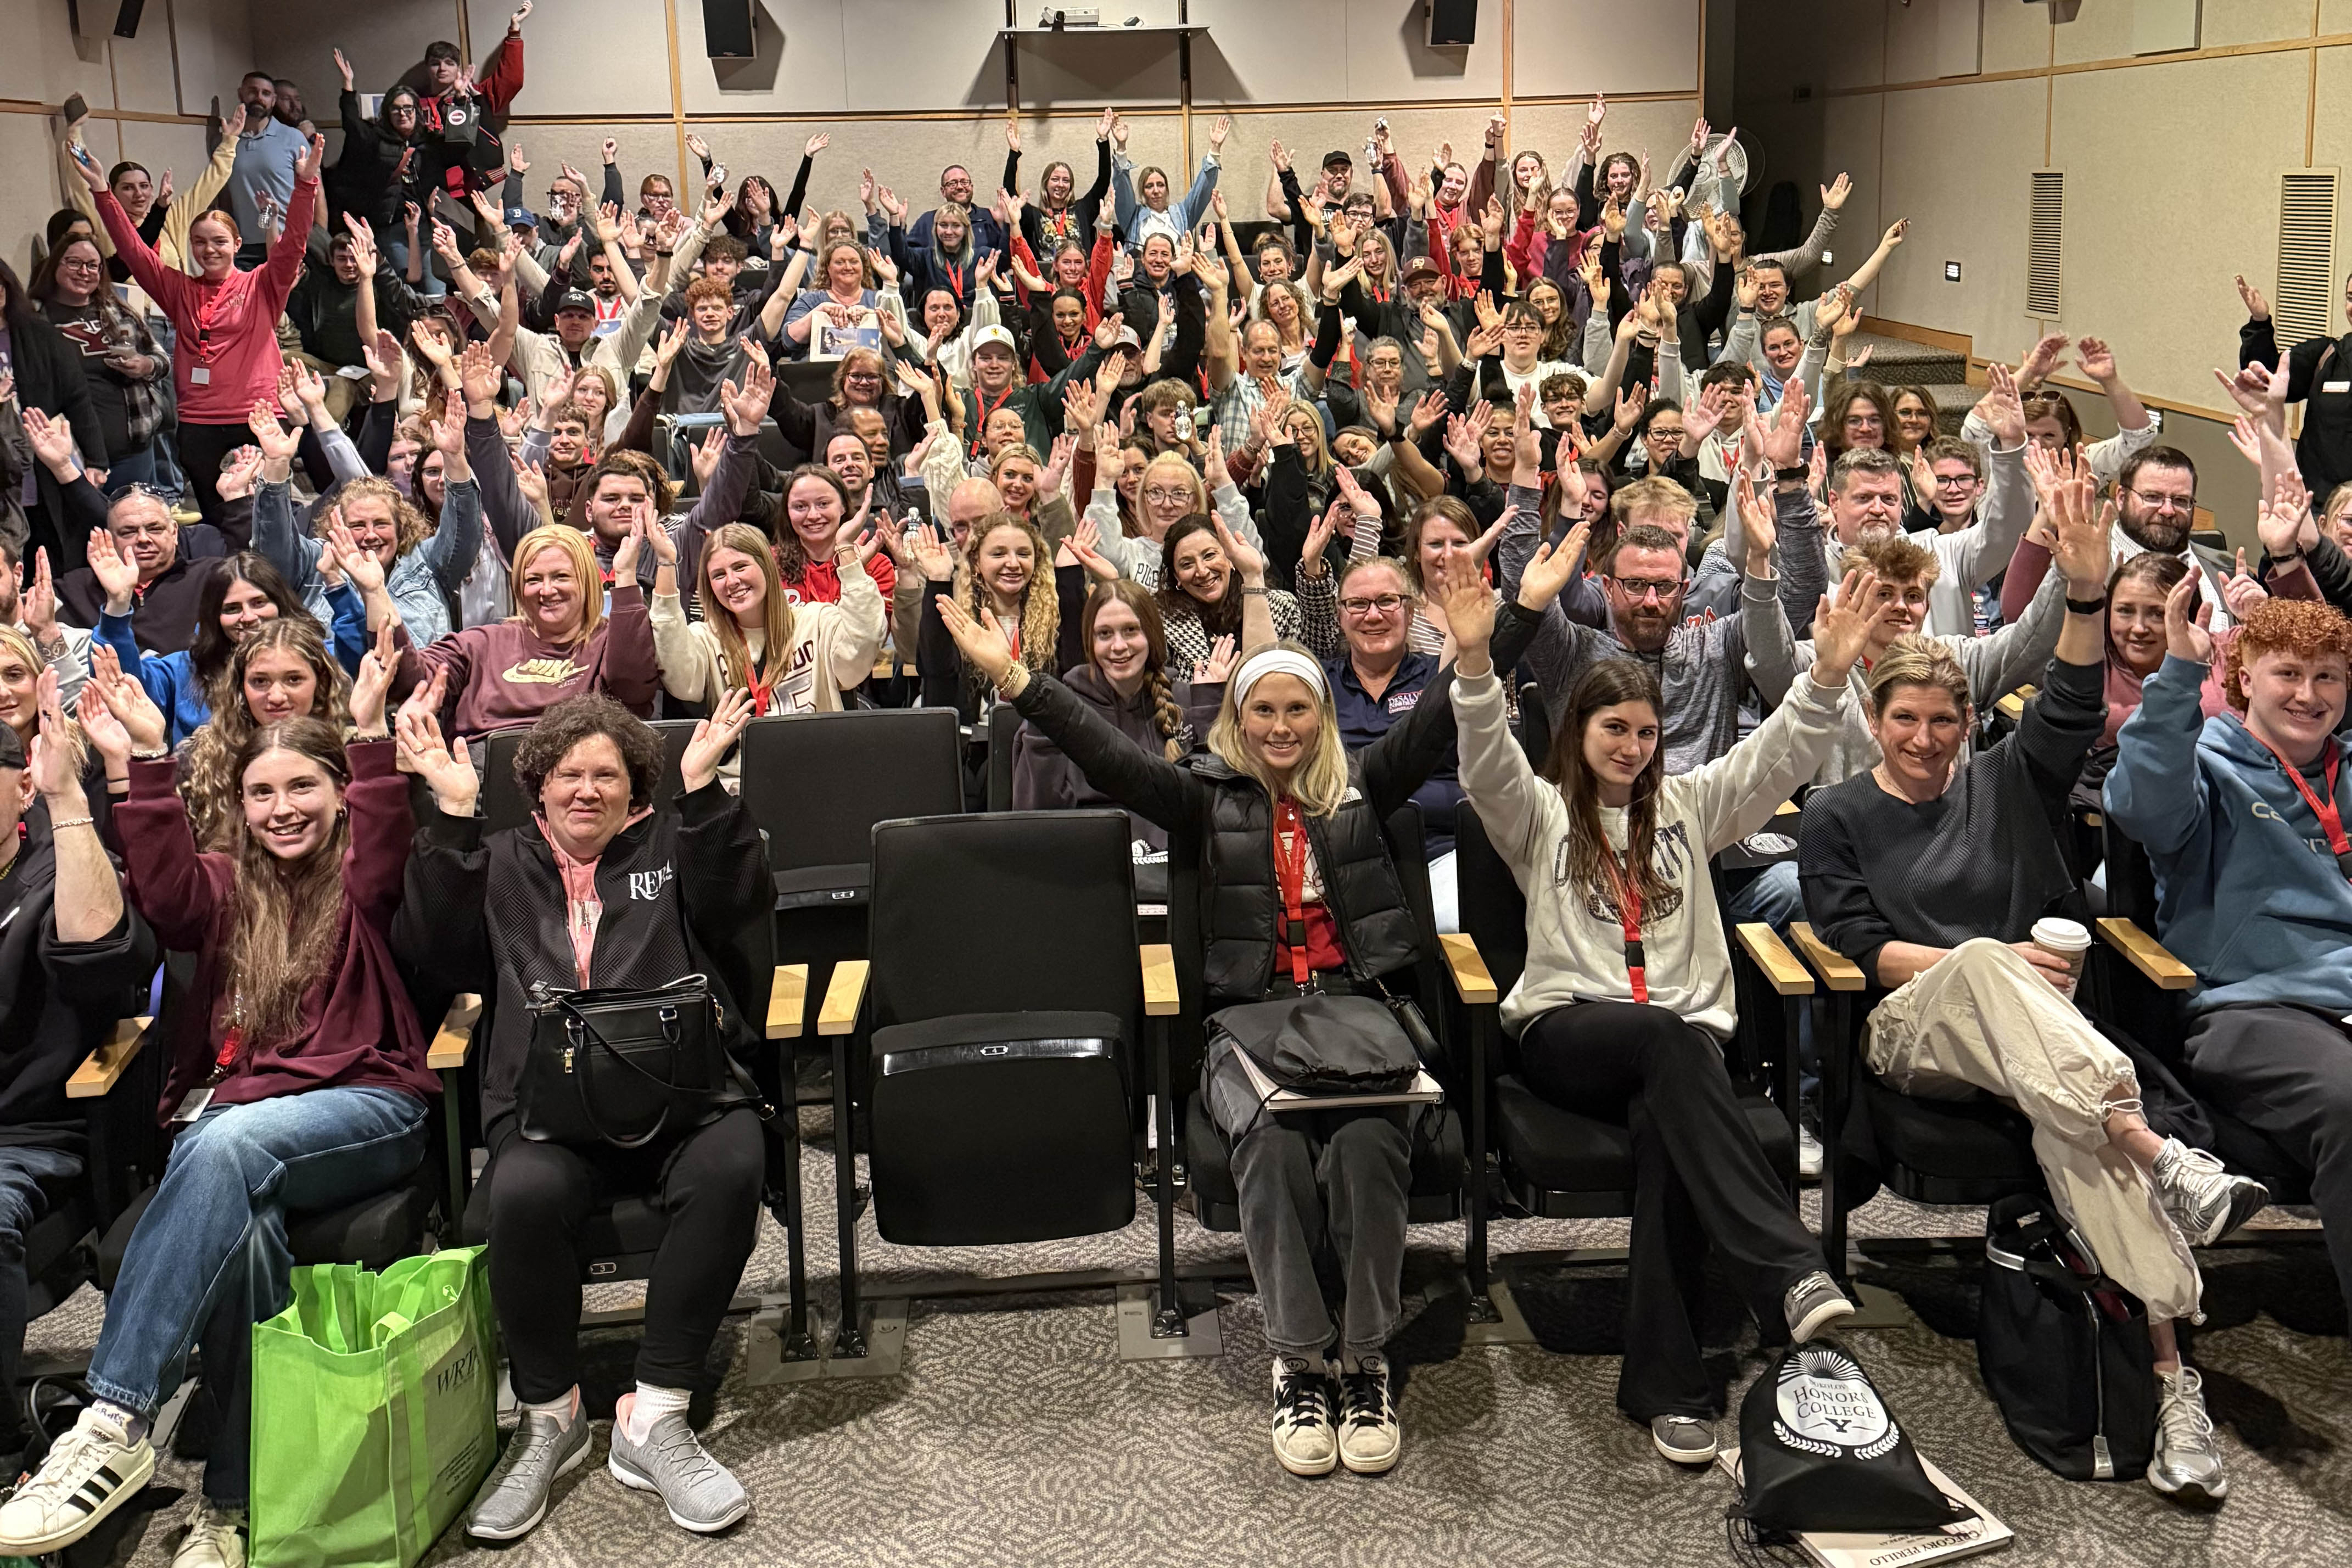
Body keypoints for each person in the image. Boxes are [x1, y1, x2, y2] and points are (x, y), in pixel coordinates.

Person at [936, 517, 1463, 1481]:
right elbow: (1105, 754)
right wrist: (1015, 680)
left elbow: (1436, 722)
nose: (1277, 728)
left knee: (1364, 1142)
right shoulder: (1202, 796)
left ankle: (1364, 1353)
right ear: (1235, 720)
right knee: (1266, 1143)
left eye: (1295, 712)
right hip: (1245, 1025)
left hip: (1356, 1014)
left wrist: (1483, 638)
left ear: (1319, 721)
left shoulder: (1360, 792)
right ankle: (1303, 1362)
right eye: (1259, 711)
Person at [1799, 468, 2261, 1508]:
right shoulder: (1836, 814)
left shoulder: (2008, 777)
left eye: (1943, 720)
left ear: (1968, 721)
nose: (1924, 740)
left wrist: (2087, 595)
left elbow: (2063, 699)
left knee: (2076, 1126)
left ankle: (2172, 1385)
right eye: (1905, 720)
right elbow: (1858, 945)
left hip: (2037, 1048)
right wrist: (1994, 962)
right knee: (1981, 965)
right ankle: (2160, 1150)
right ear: (1874, 720)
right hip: (1910, 1030)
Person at [1455, 531, 1877, 1464]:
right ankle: (1786, 1267)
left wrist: (1825, 677)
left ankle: (1667, 1386)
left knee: (1668, 1131)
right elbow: (1484, 759)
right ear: (1579, 734)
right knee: (1669, 1046)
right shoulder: (1540, 814)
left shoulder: (1689, 809)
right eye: (1614, 730)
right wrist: (1476, 666)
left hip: (1676, 1054)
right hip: (1570, 1037)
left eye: (1645, 733)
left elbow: (1777, 756)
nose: (1633, 747)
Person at [0, 680, 434, 1566]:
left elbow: (386, 824)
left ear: (339, 792)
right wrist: (141, 764)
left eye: (303, 787)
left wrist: (370, 731)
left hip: (367, 1101)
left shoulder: (360, 874)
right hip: (241, 1125)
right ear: (239, 805)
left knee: (223, 1140)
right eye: (262, 792)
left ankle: (115, 1416)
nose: (282, 809)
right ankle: (235, 1509)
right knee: (245, 1243)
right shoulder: (228, 884)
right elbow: (163, 890)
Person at [395, 691, 771, 1541]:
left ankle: (656, 1417)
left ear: (635, 785)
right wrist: (453, 817)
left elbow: (742, 900)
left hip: (684, 1103)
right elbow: (430, 949)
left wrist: (705, 792)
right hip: (547, 1113)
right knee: (519, 1197)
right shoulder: (496, 862)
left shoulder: (673, 846)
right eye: (570, 773)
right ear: (539, 785)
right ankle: (549, 1417)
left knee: (735, 1163)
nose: (588, 789)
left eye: (607, 774)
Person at [2106, 586, 2352, 1327]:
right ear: (2244, 676)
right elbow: (2139, 805)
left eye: (2328, 677)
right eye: (2288, 674)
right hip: (2250, 1004)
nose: (2308, 695)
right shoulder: (2209, 762)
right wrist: (2179, 674)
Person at [0, 685, 155, 1479]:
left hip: (29, 1137)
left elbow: (105, 967)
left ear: (23, 785)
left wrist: (69, 802)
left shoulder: (58, 867)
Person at [71, 133, 324, 533]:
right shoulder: (179, 289)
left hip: (257, 417)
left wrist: (306, 185)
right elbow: (135, 252)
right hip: (198, 423)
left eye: (220, 242)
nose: (209, 250)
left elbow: (293, 243)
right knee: (215, 520)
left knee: (270, 516)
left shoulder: (262, 284)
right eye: (200, 243)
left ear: (237, 244)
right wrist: (102, 191)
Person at [248, 392, 479, 648]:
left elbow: (464, 535)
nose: (370, 535)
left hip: (422, 685)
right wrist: (277, 465)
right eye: (358, 526)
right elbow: (272, 552)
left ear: (401, 528)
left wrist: (456, 459)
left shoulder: (427, 562)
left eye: (381, 524)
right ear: (336, 527)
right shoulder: (317, 563)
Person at [393, 522, 657, 741]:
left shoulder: (610, 641)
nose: (547, 590)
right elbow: (412, 681)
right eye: (533, 580)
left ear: (586, 581)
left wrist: (624, 577)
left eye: (561, 577)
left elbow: (633, 691)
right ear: (519, 588)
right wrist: (376, 598)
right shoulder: (481, 644)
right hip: (482, 779)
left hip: (579, 776)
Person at [91, 541, 352, 747]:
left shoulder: (317, 656)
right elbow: (121, 685)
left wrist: (339, 587)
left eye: (259, 603)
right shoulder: (185, 668)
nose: (249, 617)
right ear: (214, 616)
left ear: (281, 603)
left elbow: (360, 657)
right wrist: (117, 604)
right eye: (232, 608)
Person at [654, 520, 885, 739]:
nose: (732, 581)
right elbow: (681, 681)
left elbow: (863, 645)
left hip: (816, 765)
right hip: (738, 776)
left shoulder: (817, 621)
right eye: (719, 575)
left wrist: (848, 557)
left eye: (740, 567)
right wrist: (666, 563)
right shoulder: (705, 638)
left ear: (766, 566)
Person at [24, 236, 169, 500]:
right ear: (55, 264)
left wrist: (145, 364)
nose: (84, 272)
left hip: (134, 449)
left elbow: (161, 359)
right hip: (70, 456)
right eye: (74, 263)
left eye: (93, 266)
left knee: (133, 527)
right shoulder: (34, 318)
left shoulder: (117, 311)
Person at [0, 263, 107, 566]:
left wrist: (97, 459)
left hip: (39, 465)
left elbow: (77, 398)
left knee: (45, 550)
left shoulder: (40, 335)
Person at [57, 491, 231, 656]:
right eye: (129, 532)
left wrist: (235, 500)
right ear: (110, 538)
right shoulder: (74, 588)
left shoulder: (210, 575)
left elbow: (252, 571)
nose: (143, 539)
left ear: (174, 533)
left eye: (155, 529)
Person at [217, 72, 309, 267]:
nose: (259, 97)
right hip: (246, 246)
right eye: (253, 91)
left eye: (266, 93)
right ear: (241, 94)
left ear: (273, 100)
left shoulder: (293, 138)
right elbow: (224, 195)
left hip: (288, 240)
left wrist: (317, 235)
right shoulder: (228, 141)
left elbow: (314, 191)